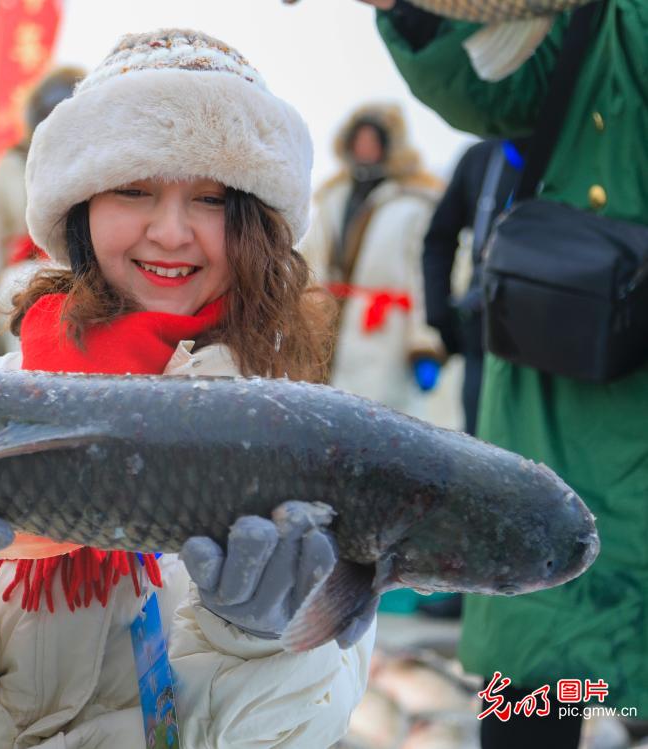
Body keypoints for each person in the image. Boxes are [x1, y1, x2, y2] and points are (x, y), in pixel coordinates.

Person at [0, 29, 375, 748]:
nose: (170, 231)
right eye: (132, 188)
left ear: (259, 224)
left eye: (211, 199)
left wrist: (259, 643)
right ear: (78, 207)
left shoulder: (309, 446)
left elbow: (296, 732)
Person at [368, 0, 648, 745]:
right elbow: (494, 93)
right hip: (561, 364)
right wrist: (410, 13)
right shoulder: (596, 21)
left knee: (615, 681)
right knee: (535, 678)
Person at [300, 102, 449, 422]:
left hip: (383, 333)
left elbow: (420, 275)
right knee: (324, 418)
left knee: (379, 422)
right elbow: (309, 259)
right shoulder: (332, 197)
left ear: (388, 145)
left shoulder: (413, 203)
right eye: (360, 139)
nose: (365, 147)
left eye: (373, 139)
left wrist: (424, 344)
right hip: (329, 324)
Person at [422, 138, 524, 436]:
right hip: (483, 328)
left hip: (550, 333)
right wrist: (439, 311)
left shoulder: (568, 152)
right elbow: (439, 237)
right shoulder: (482, 158)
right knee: (480, 442)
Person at [0, 65, 83, 353]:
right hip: (19, 267)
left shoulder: (93, 164)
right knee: (15, 293)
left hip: (82, 268)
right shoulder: (11, 165)